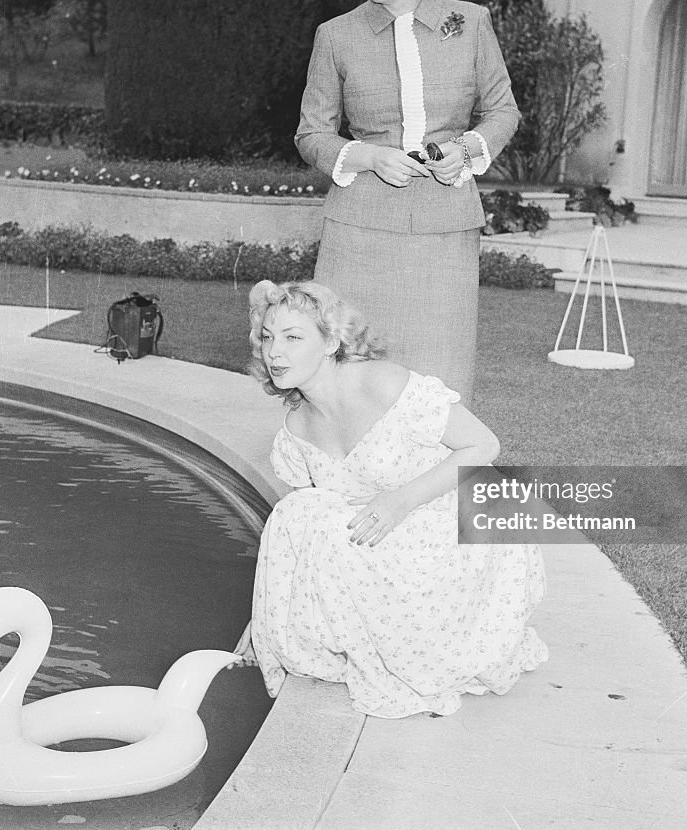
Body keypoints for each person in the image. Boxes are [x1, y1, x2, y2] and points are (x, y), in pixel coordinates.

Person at [234, 280, 547, 718]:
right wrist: (267, 611)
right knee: (297, 514)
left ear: (329, 341)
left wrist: (400, 500)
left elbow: (483, 446)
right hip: (394, 532)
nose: (274, 352)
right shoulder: (297, 426)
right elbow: (300, 539)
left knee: (322, 527)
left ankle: (428, 648)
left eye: (292, 337)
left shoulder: (382, 383)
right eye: (267, 337)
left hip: (464, 523)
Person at [295, 0, 521, 403]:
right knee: (348, 373)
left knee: (436, 379)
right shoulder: (336, 36)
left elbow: (504, 111)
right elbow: (311, 134)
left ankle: (431, 482)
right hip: (358, 232)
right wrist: (370, 156)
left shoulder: (470, 22)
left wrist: (467, 149)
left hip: (444, 229)